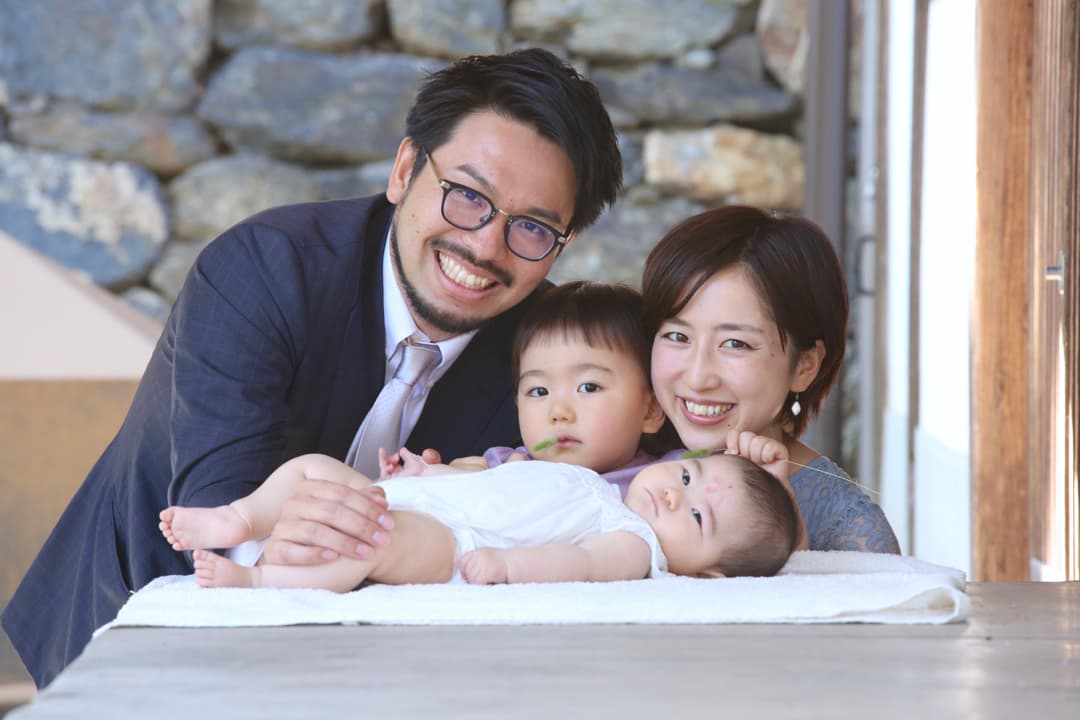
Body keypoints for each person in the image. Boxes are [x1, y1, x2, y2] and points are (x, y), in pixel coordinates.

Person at [3, 48, 623, 688]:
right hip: (137, 614)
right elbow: (227, 518)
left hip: (372, 669)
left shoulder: (548, 347)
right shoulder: (262, 269)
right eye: (468, 196)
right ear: (406, 168)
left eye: (532, 228)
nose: (486, 245)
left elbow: (618, 486)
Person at [159, 434, 800, 589]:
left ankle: (257, 581)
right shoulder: (599, 483)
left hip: (452, 536)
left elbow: (577, 563)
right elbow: (502, 476)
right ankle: (239, 517)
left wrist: (510, 566)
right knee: (313, 467)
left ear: (706, 573)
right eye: (686, 475)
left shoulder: (635, 543)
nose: (671, 494)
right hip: (436, 496)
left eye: (693, 518)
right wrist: (429, 472)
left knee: (368, 540)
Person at [641, 205, 901, 554]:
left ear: (805, 366)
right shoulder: (608, 449)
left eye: (735, 344)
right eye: (677, 336)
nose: (698, 376)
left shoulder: (848, 532)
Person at [469, 280, 666, 493]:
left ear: (651, 409)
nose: (559, 412)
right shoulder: (500, 470)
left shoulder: (673, 481)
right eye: (539, 391)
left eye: (589, 387)